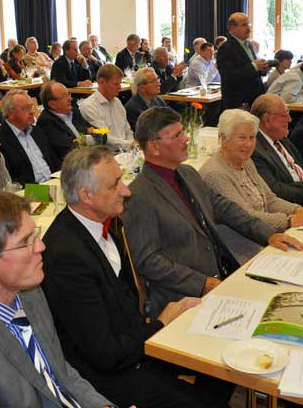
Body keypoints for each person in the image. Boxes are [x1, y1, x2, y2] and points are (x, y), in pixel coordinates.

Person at [43, 146, 232, 408]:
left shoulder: (107, 222)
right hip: (107, 376)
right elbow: (104, 354)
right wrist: (162, 322)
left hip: (132, 349)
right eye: (115, 184)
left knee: (223, 366)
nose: (127, 191)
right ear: (86, 195)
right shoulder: (66, 256)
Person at [0, 192, 114, 408]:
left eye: (36, 236)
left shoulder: (29, 293)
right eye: (26, 242)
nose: (42, 247)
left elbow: (60, 373)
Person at [122, 107, 303, 318]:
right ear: (154, 146)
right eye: (177, 135)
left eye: (183, 132)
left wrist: (269, 234)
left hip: (219, 276)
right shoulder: (138, 195)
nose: (186, 139)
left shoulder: (187, 173)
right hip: (182, 299)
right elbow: (148, 261)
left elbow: (225, 209)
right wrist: (202, 283)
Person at [199, 109, 303, 232]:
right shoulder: (215, 173)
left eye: (252, 137)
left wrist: (299, 210)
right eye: (242, 138)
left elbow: (270, 200)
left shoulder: (246, 162)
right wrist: (291, 220)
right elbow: (246, 217)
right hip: (242, 245)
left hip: (267, 232)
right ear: (223, 138)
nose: (248, 144)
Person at [249, 94, 303, 205]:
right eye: (285, 114)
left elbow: (302, 168)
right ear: (267, 119)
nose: (290, 119)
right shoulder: (255, 150)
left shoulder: (282, 139)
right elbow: (276, 190)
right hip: (291, 208)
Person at [0, 90, 60, 185]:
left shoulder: (37, 131)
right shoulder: (0, 139)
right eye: (26, 108)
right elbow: (9, 180)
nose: (32, 112)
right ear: (10, 113)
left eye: (32, 106)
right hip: (30, 191)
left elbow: (53, 160)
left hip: (53, 182)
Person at [216, 12, 270, 110]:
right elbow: (229, 75)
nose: (249, 28)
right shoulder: (226, 48)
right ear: (232, 28)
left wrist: (262, 69)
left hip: (255, 98)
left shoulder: (249, 44)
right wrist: (254, 66)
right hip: (238, 101)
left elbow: (252, 70)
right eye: (244, 25)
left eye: (248, 24)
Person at [79, 65, 134, 149]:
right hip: (107, 154)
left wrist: (132, 145)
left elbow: (127, 130)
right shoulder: (89, 106)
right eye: (116, 84)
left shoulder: (117, 102)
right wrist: (130, 144)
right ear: (102, 82)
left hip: (126, 150)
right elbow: (105, 138)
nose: (119, 87)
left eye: (120, 83)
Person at [36, 82, 91, 162]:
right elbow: (69, 149)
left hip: (88, 158)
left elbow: (100, 134)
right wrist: (91, 138)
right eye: (64, 96)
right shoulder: (46, 122)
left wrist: (90, 137)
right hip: (71, 165)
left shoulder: (74, 112)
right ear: (52, 104)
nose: (70, 98)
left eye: (68, 94)